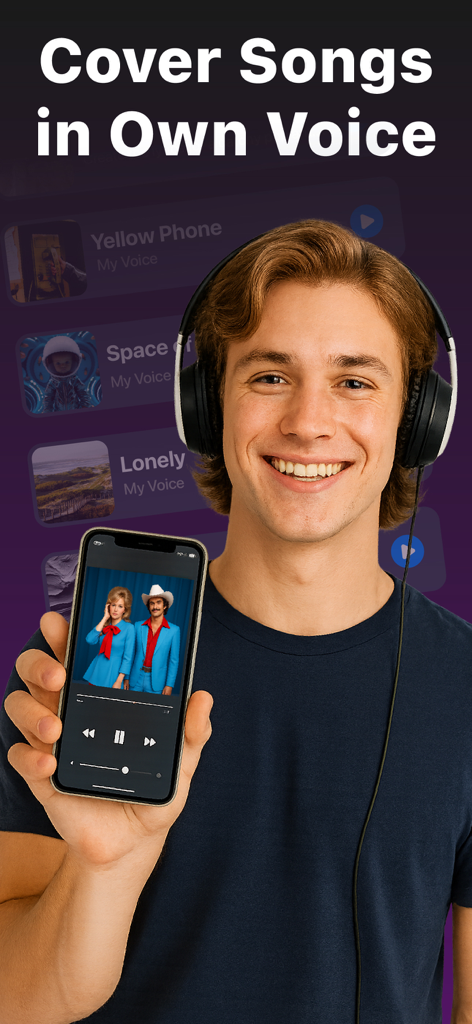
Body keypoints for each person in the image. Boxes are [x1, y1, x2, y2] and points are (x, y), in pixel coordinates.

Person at [0, 220, 471, 1024]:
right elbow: (18, 1002)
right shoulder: (96, 670)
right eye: (269, 377)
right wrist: (103, 868)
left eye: (355, 382)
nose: (309, 422)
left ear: (417, 421)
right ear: (204, 404)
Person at [128, 584, 180, 694]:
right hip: (135, 678)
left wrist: (169, 685)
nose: (155, 606)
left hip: (157, 681)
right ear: (149, 606)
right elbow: (130, 653)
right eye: (152, 603)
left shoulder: (174, 631)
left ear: (165, 606)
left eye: (158, 602)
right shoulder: (138, 626)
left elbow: (173, 661)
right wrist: (126, 677)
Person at [83, 587, 135, 689]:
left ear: (125, 610)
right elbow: (89, 640)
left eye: (120, 606)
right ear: (108, 606)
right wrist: (105, 618)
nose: (115, 609)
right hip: (97, 670)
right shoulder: (104, 626)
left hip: (114, 674)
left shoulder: (129, 628)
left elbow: (128, 658)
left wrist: (119, 680)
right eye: (113, 605)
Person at [42, 335, 91, 413]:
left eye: (67, 362)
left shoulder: (74, 380)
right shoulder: (53, 382)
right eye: (58, 363)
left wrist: (85, 405)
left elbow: (82, 392)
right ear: (52, 365)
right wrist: (47, 410)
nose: (63, 365)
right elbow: (48, 398)